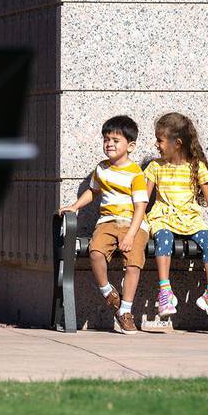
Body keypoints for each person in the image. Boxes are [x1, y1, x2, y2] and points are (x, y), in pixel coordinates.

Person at [58, 115, 149, 334]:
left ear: (131, 145)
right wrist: (75, 206)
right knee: (96, 252)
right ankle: (109, 292)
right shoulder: (102, 169)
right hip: (107, 221)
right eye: (106, 139)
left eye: (116, 140)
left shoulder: (136, 173)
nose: (109, 144)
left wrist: (130, 235)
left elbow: (140, 207)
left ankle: (125, 311)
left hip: (133, 224)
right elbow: (93, 191)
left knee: (134, 262)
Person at [144, 112, 208, 320]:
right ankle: (165, 291)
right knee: (164, 238)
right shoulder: (155, 167)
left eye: (160, 140)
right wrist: (137, 225)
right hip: (163, 217)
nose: (157, 145)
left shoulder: (196, 166)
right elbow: (143, 200)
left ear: (177, 143)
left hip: (190, 219)